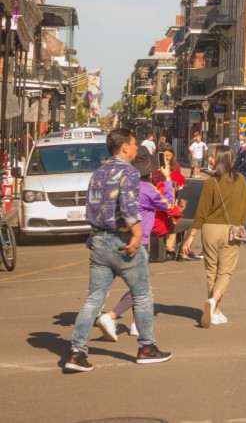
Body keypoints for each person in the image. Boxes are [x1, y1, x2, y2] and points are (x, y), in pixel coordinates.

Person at [65, 128, 173, 372]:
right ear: (124, 147)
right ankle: (147, 347)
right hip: (122, 240)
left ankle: (76, 352)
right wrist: (136, 234)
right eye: (134, 144)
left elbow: (90, 207)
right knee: (142, 294)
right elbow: (127, 205)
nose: (136, 149)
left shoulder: (98, 173)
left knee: (94, 298)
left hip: (99, 240)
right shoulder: (129, 172)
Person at [96, 147, 181, 340]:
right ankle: (112, 316)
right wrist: (168, 180)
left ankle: (134, 323)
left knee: (124, 284)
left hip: (115, 236)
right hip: (139, 240)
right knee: (141, 287)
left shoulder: (119, 183)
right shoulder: (147, 189)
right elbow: (169, 205)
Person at [179, 145, 246, 328]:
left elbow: (202, 212)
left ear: (221, 160)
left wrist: (190, 236)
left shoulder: (211, 183)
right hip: (232, 230)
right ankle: (214, 302)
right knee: (225, 271)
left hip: (210, 229)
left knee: (211, 270)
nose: (209, 160)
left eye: (212, 157)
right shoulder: (241, 180)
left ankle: (215, 310)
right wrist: (241, 225)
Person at [152, 144, 189, 261]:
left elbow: (180, 180)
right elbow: (154, 180)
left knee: (173, 220)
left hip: (172, 196)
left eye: (169, 155)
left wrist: (176, 182)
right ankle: (162, 248)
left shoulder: (176, 165)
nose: (167, 157)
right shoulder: (157, 166)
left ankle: (170, 248)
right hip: (159, 197)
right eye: (165, 155)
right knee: (162, 221)